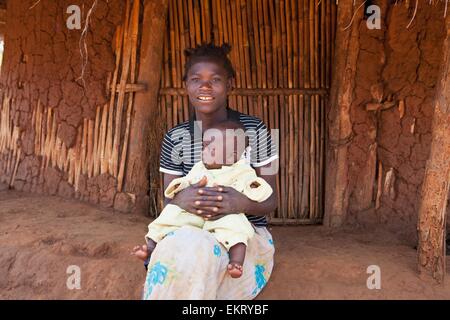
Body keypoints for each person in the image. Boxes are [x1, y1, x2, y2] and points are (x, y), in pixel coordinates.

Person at [137, 42, 278, 299]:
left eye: (215, 79)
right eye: (196, 79)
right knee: (189, 245)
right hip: (188, 228)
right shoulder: (175, 138)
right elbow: (169, 199)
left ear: (230, 84)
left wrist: (240, 202)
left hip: (242, 237)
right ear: (185, 85)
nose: (205, 86)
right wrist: (182, 198)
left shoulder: (256, 130)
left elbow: (271, 200)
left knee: (196, 253)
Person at [132, 120, 273, 278]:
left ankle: (236, 261)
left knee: (237, 228)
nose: (204, 152)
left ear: (231, 156)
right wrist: (180, 193)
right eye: (204, 147)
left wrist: (242, 200)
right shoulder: (198, 166)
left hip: (224, 216)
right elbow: (183, 184)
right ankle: (151, 247)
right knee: (170, 215)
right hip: (193, 216)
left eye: (211, 149)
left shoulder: (242, 170)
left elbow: (260, 190)